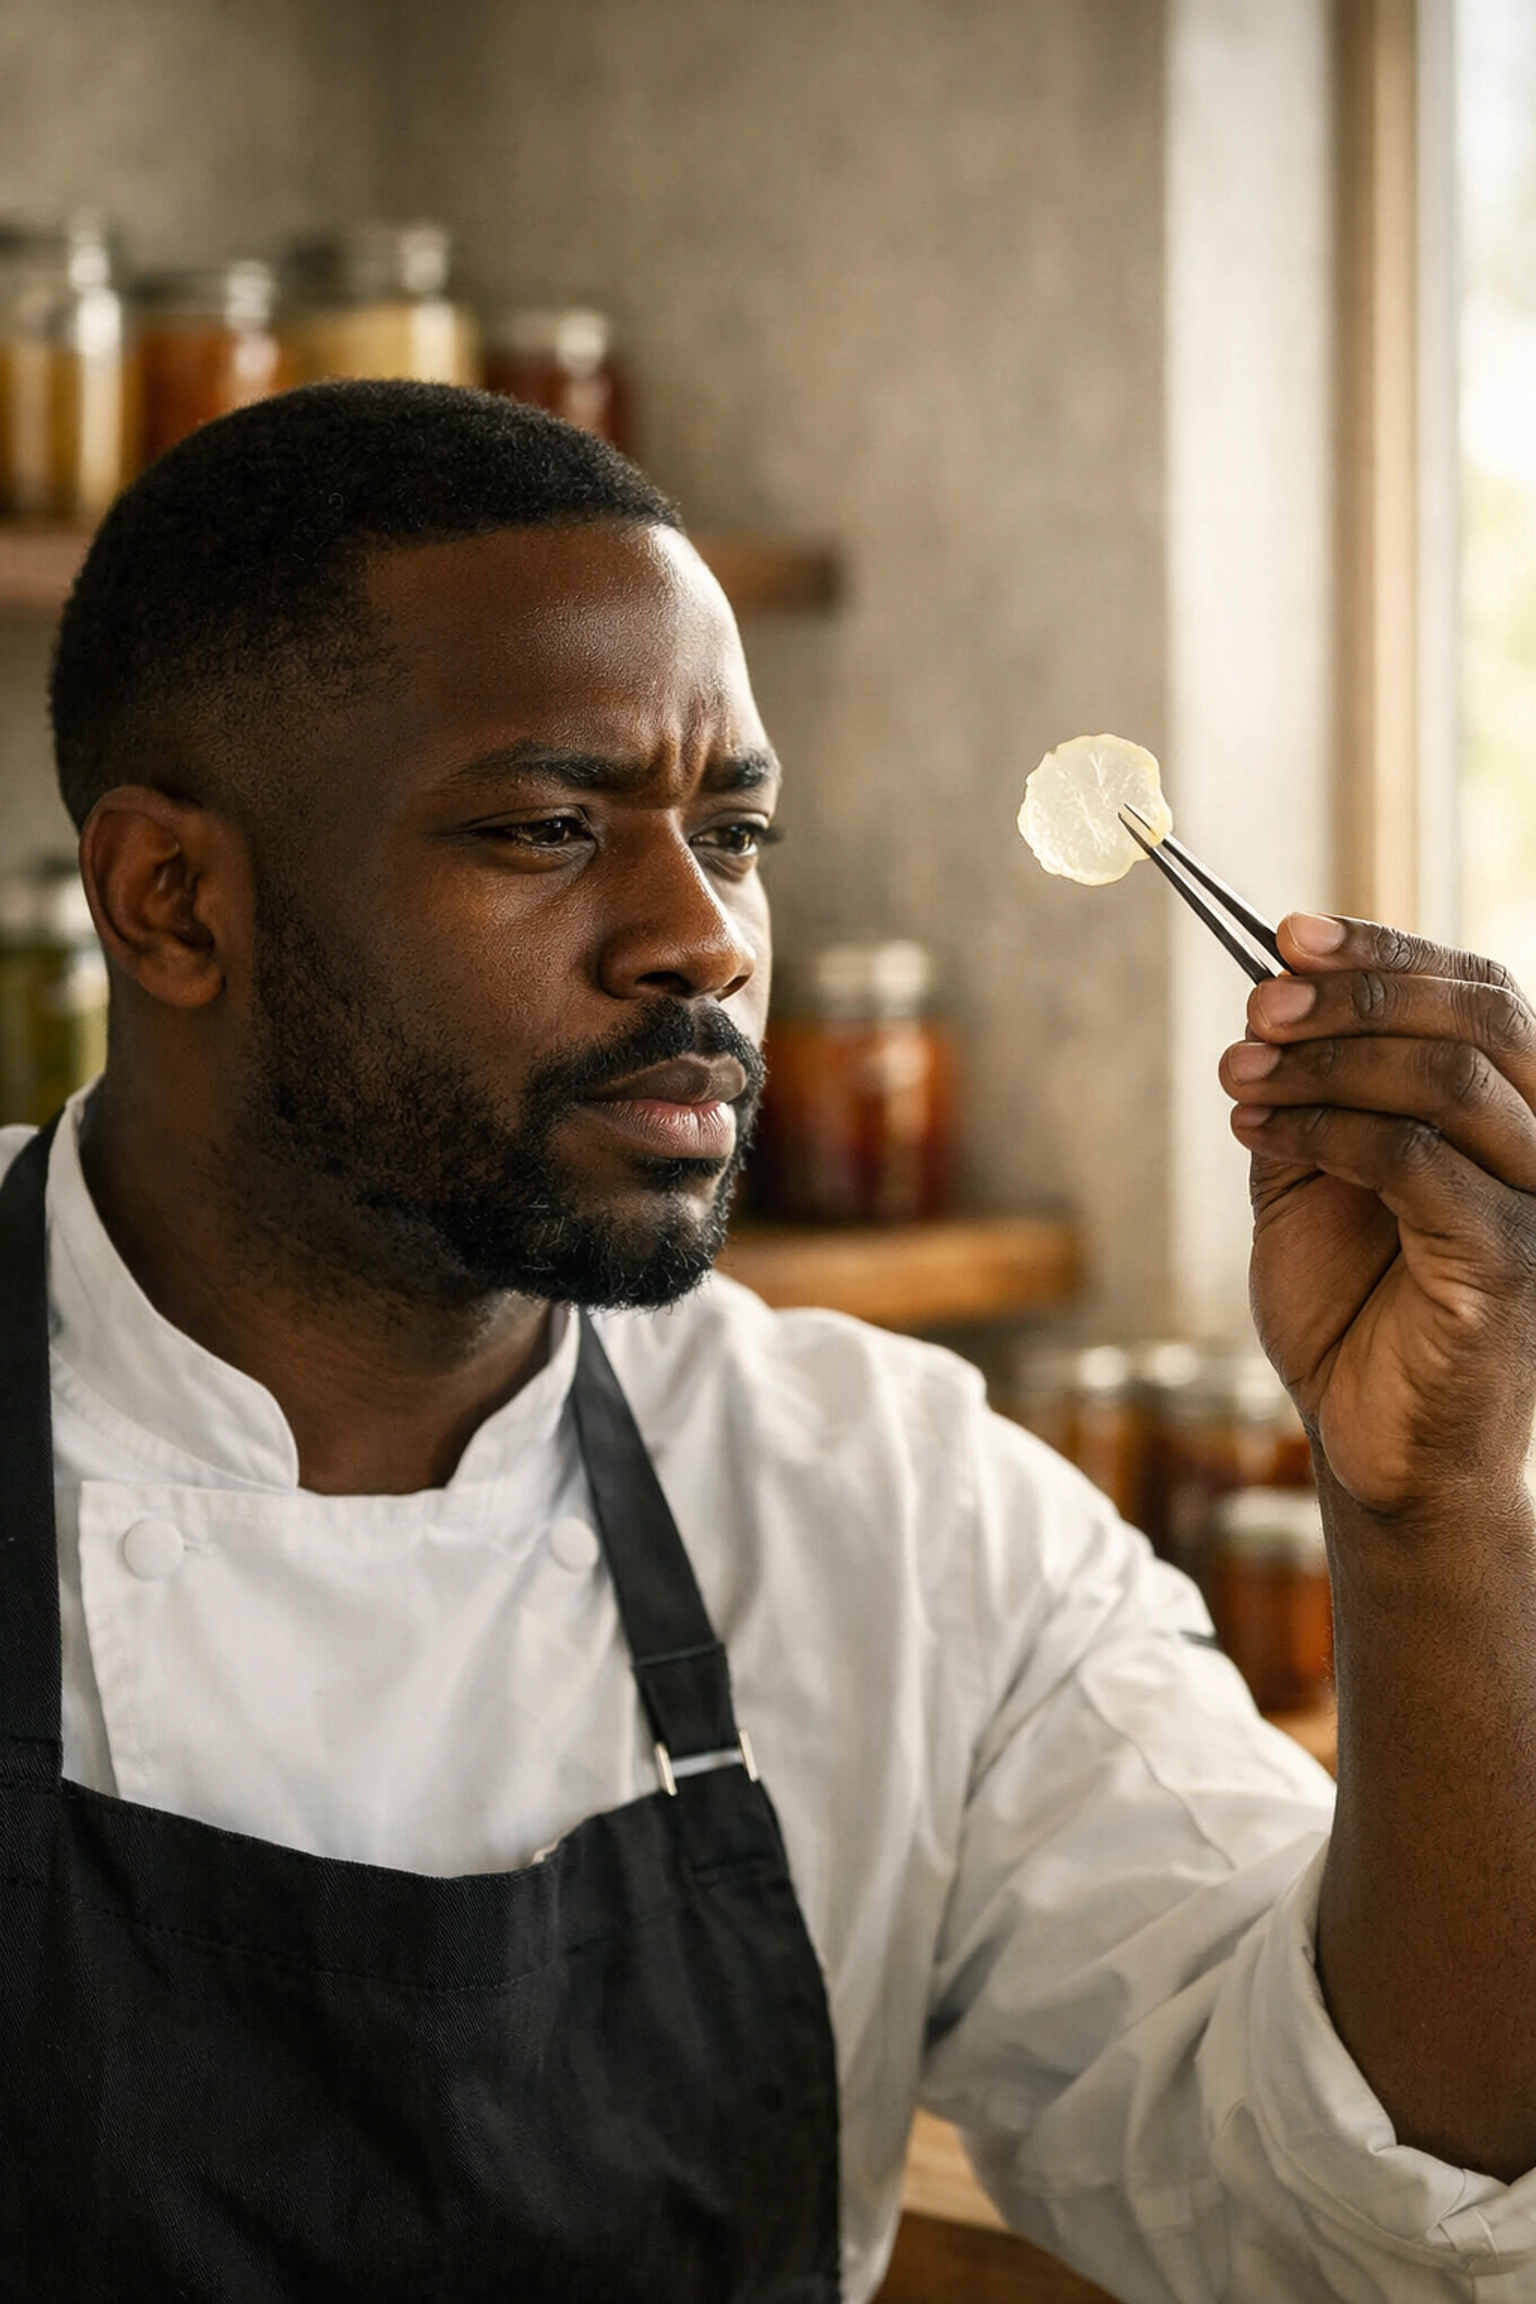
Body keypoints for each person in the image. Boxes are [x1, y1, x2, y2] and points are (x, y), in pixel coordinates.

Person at [2, 380, 1533, 2304]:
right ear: (170, 903)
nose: (706, 938)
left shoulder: (899, 1513)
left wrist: (1433, 1506)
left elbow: (1373, 2221)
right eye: (548, 828)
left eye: (732, 831)